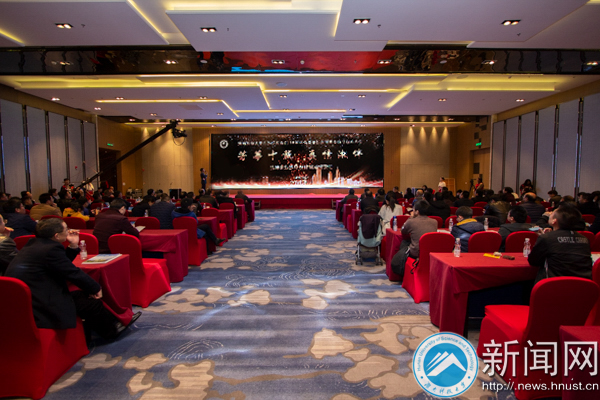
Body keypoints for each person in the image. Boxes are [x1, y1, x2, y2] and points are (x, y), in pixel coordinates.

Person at [4, 218, 140, 340]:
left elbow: (61, 265)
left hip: (29, 295)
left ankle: (112, 323)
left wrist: (73, 245)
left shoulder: (35, 245)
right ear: (56, 236)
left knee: (81, 294)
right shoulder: (50, 249)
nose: (69, 231)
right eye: (66, 229)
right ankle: (111, 332)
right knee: (90, 302)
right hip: (40, 300)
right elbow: (71, 272)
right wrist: (95, 287)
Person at [528, 204, 592, 284]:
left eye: (552, 214)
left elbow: (533, 261)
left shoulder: (547, 238)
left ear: (554, 221)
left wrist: (546, 237)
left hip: (554, 285)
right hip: (584, 285)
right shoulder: (585, 239)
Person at [390, 200, 437, 279]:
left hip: (416, 252)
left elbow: (403, 231)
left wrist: (411, 217)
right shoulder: (434, 222)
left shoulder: (411, 221)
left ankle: (402, 270)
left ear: (417, 212)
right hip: (430, 252)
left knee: (404, 242)